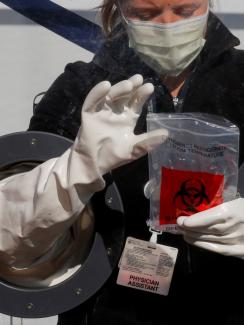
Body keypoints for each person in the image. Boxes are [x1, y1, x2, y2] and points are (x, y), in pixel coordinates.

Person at [3, 0, 244, 323]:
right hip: (107, 311)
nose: (168, 25)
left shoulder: (239, 81)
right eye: (146, 14)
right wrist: (78, 168)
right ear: (120, 8)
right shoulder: (82, 89)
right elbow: (12, 240)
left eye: (185, 11)